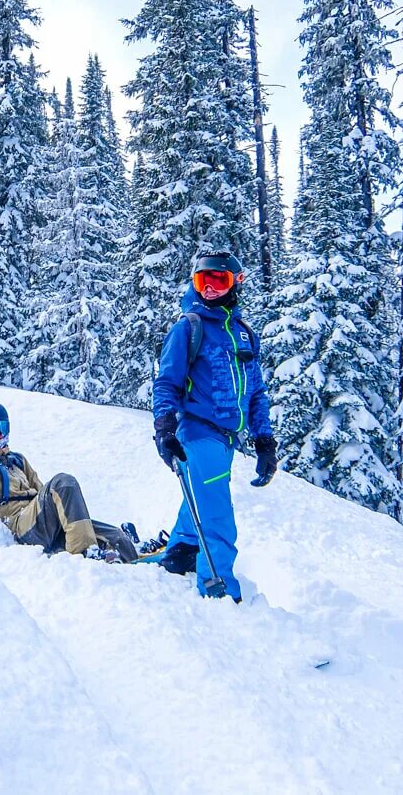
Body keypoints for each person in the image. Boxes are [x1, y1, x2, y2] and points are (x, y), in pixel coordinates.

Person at [151, 251, 278, 601]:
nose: (208, 288)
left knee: (202, 496)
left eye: (217, 280)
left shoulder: (242, 335)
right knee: (218, 514)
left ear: (235, 283)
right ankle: (218, 588)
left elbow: (256, 393)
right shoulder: (188, 328)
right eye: (201, 281)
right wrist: (164, 428)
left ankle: (181, 552)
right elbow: (166, 382)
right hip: (197, 431)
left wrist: (265, 441)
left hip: (225, 440)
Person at [0, 369, 138, 563]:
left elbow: (44, 494)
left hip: (40, 520)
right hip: (19, 525)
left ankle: (130, 553)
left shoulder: (17, 460)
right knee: (63, 482)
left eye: (2, 428)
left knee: (116, 537)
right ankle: (84, 553)